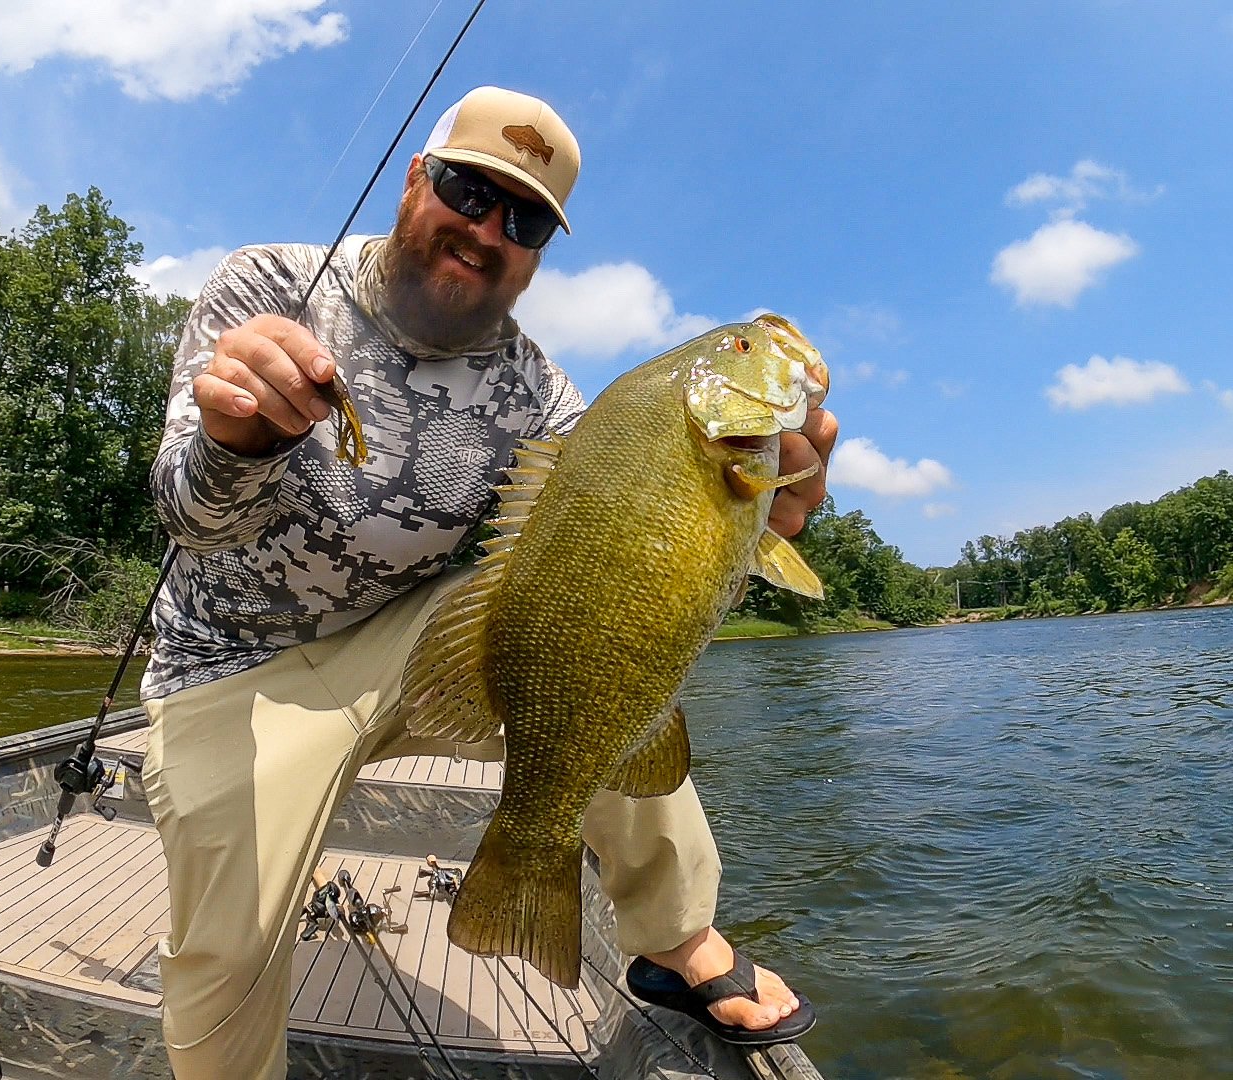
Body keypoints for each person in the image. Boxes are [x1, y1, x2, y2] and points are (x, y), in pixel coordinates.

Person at [139, 85, 839, 1080]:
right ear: (415, 179)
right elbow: (182, 517)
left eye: (524, 220)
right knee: (225, 955)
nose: (485, 232)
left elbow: (639, 584)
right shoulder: (274, 283)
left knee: (590, 644)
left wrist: (738, 539)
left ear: (540, 250)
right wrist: (233, 441)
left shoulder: (547, 397)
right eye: (470, 190)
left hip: (411, 648)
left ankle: (675, 936)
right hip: (233, 667)